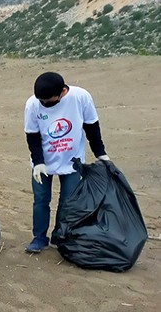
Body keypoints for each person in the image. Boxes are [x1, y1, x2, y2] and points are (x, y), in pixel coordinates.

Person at [23, 72, 109, 253]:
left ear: (62, 92)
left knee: (68, 200)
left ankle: (59, 235)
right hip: (43, 162)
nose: (44, 104)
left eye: (48, 101)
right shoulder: (33, 104)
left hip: (72, 161)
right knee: (40, 200)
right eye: (41, 101)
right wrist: (38, 162)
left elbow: (92, 127)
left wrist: (100, 153)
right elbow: (32, 135)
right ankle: (39, 237)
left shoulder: (80, 97)